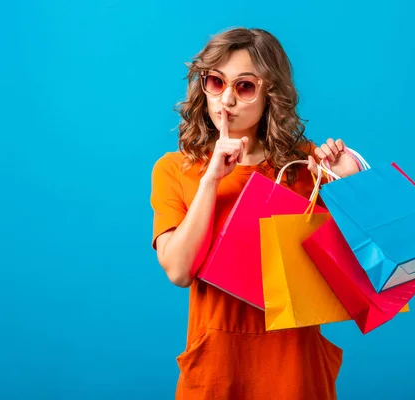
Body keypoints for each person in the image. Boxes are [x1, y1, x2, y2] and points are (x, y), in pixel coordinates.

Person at [150, 27, 360, 399]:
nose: (226, 99)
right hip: (217, 367)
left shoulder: (304, 163)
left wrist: (348, 184)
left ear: (271, 94)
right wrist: (212, 179)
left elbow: (358, 269)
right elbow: (179, 270)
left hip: (295, 364)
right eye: (215, 81)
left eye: (244, 86)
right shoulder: (175, 169)